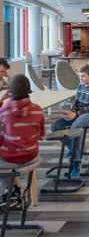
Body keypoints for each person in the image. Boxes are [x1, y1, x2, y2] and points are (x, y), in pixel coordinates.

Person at [50, 64, 89, 179]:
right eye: (80, 76)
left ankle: (77, 162)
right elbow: (77, 103)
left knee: (75, 127)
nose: (81, 79)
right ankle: (73, 148)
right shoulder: (80, 86)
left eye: (83, 76)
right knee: (54, 127)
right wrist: (71, 112)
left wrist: (76, 114)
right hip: (78, 112)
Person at [0, 74, 45, 202]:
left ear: (10, 92)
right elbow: (41, 136)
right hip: (32, 155)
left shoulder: (5, 110)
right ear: (29, 91)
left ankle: (9, 190)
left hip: (13, 158)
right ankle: (12, 190)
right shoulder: (38, 110)